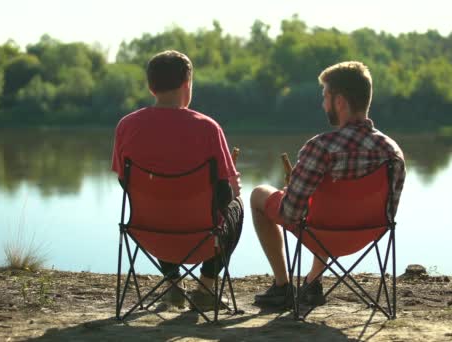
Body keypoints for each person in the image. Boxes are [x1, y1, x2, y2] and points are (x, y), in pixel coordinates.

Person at [250, 61, 405, 307]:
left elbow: (291, 214)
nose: (323, 104)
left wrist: (290, 192)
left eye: (325, 97)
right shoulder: (392, 151)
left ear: (340, 101)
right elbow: (390, 212)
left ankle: (282, 287)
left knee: (260, 194)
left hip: (320, 234)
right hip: (368, 234)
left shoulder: (320, 148)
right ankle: (312, 283)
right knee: (326, 206)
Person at [111, 50, 243, 309]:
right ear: (187, 84)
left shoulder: (126, 126)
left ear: (151, 87)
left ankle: (173, 286)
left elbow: (125, 183)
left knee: (159, 202)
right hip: (203, 239)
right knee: (236, 206)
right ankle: (205, 289)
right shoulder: (207, 128)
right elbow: (227, 194)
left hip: (148, 233)